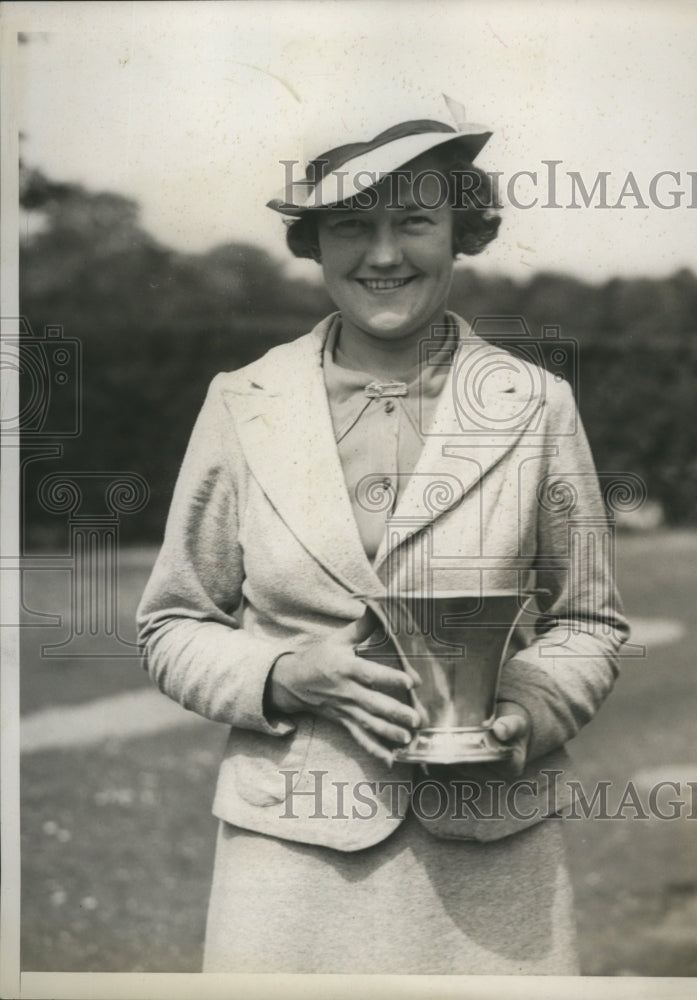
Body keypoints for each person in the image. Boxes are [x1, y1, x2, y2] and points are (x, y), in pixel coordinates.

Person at [136, 100, 629, 975]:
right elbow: (172, 622)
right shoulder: (242, 401)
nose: (384, 254)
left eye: (414, 221)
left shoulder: (536, 405)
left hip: (491, 856)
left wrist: (528, 710)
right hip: (287, 861)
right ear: (314, 244)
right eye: (351, 226)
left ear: (462, 232)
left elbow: (588, 622)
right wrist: (282, 675)